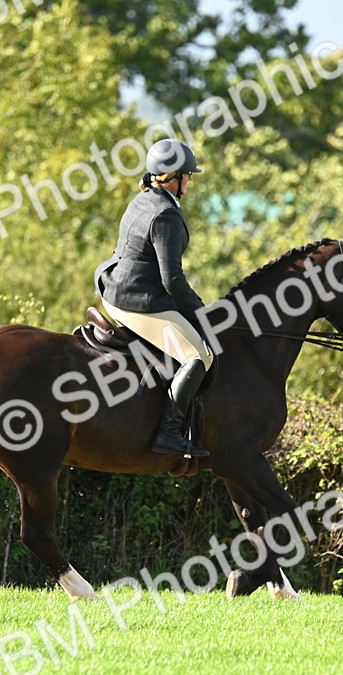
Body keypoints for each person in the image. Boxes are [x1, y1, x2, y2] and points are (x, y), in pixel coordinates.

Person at [93, 139, 214, 458]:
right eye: (188, 175)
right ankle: (169, 433)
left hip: (115, 283)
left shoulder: (145, 197)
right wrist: (201, 313)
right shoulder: (166, 215)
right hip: (134, 298)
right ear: (174, 177)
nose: (190, 181)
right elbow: (172, 279)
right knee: (199, 356)